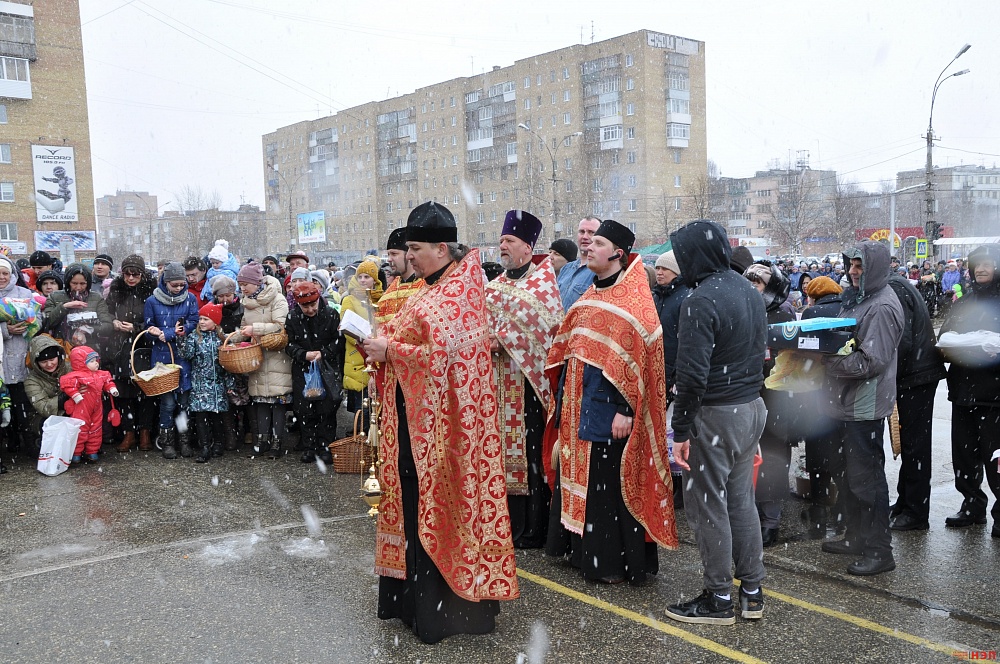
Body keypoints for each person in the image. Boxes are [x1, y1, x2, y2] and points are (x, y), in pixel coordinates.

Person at [362, 201, 519, 644]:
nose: (409, 256)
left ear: (442, 248)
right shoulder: (430, 286)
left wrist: (391, 351)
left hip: (447, 431)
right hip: (413, 421)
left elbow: (444, 358)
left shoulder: (458, 292)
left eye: (415, 248)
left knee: (440, 508)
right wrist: (384, 347)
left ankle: (446, 613)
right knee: (412, 505)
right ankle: (413, 605)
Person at [545, 218, 676, 586]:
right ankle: (581, 552)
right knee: (582, 480)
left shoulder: (634, 302)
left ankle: (611, 563)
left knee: (607, 485)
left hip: (608, 411)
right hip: (579, 406)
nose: (588, 247)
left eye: (598, 243)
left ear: (618, 253)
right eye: (589, 242)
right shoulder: (591, 294)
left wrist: (625, 409)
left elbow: (641, 363)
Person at [663, 220, 768, 626]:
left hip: (717, 413)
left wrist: (681, 431)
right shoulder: (748, 289)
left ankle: (718, 596)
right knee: (740, 501)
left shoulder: (701, 299)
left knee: (707, 505)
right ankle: (752, 592)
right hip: (750, 407)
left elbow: (691, 376)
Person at [820, 240, 903, 576]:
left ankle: (880, 551)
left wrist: (825, 362)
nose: (854, 272)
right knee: (849, 477)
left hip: (863, 407)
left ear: (876, 269)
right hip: (846, 403)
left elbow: (871, 361)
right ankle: (856, 537)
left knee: (867, 481)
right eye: (852, 265)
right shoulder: (860, 298)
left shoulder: (881, 306)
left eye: (860, 266)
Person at [485, 210, 563, 549]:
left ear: (528, 248)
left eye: (509, 241)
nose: (502, 246)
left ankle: (532, 527)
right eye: (501, 240)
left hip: (527, 385)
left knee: (530, 453)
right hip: (495, 384)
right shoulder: (492, 287)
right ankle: (502, 520)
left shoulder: (543, 285)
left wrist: (504, 340)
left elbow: (548, 332)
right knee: (496, 453)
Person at [938, 245, 1000, 536]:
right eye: (977, 264)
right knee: (964, 454)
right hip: (963, 391)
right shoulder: (964, 301)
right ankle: (972, 505)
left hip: (995, 395)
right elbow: (944, 336)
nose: (982, 269)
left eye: (988, 263)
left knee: (996, 456)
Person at [886, 269, 946, 531]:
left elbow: (902, 340)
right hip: (917, 374)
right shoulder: (897, 285)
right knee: (911, 444)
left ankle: (916, 513)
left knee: (915, 446)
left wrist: (889, 376)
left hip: (916, 377)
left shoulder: (894, 289)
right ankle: (906, 502)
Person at [742, 262, 796, 548]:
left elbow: (790, 360)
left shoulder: (782, 315)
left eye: (758, 282)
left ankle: (771, 522)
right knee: (748, 459)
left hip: (776, 399)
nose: (752, 287)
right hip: (746, 396)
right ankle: (751, 515)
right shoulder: (743, 309)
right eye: (748, 281)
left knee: (772, 459)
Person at [799, 276, 846, 536]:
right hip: (843, 390)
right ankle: (842, 512)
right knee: (841, 452)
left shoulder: (811, 313)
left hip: (816, 391)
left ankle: (818, 510)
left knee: (817, 452)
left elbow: (801, 350)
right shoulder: (847, 308)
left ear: (813, 296)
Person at [144, 261, 200, 459]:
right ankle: (167, 442)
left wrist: (179, 331)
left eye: (182, 284)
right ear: (165, 282)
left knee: (184, 403)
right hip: (162, 358)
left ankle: (184, 440)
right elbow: (148, 330)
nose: (178, 288)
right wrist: (166, 333)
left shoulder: (190, 298)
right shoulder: (152, 301)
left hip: (183, 356)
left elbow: (193, 321)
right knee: (167, 403)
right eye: (174, 285)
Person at [237, 261, 293, 458]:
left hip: (277, 355)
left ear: (257, 282)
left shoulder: (277, 299)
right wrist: (229, 337)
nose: (243, 288)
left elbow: (280, 326)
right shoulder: (247, 302)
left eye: (245, 284)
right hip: (257, 356)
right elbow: (243, 327)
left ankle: (277, 442)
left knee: (277, 401)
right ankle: (262, 440)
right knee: (260, 400)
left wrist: (256, 329)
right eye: (240, 284)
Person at [285, 281, 343, 464]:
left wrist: (323, 353)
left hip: (326, 367)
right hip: (303, 367)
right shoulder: (293, 317)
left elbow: (339, 340)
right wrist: (303, 354)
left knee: (327, 409)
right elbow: (289, 344)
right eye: (305, 307)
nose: (310, 310)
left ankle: (326, 446)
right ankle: (309, 446)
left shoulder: (331, 314)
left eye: (313, 305)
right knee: (304, 410)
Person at [105, 254, 157, 452]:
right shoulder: (116, 289)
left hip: (143, 345)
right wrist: (113, 322)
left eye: (135, 274)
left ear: (142, 274)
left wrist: (136, 327)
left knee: (145, 391)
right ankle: (129, 433)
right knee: (124, 392)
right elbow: (107, 311)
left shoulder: (151, 290)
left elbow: (156, 319)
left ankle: (145, 432)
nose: (131, 278)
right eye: (127, 274)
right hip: (120, 346)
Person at [179, 303, 232, 463]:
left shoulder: (222, 339)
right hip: (200, 384)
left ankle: (218, 444)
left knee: (216, 417)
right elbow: (186, 354)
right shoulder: (195, 337)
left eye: (206, 319)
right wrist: (181, 338)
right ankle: (205, 447)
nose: (201, 322)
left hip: (217, 385)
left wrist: (230, 384)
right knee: (201, 417)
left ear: (215, 322)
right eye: (200, 319)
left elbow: (228, 365)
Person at [0, 256, 37, 459]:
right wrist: (6, 329)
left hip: (20, 355)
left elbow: (38, 318)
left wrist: (29, 324)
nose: (2, 277)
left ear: (12, 274)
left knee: (21, 404)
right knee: (3, 405)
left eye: (5, 273)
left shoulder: (24, 293)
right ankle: (9, 442)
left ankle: (28, 444)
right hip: (1, 357)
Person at [340, 259, 383, 433]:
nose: (363, 280)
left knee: (377, 407)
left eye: (367, 277)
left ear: (375, 279)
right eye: (360, 277)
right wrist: (368, 343)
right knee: (363, 407)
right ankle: (361, 441)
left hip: (379, 356)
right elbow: (347, 329)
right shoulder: (349, 299)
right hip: (358, 357)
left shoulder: (381, 298)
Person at [60, 346, 119, 463]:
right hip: (81, 406)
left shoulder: (100, 374)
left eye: (96, 360)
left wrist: (112, 388)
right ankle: (76, 452)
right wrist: (75, 394)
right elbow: (68, 386)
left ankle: (92, 451)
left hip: (97, 407)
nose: (96, 363)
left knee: (96, 428)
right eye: (91, 361)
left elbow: (108, 382)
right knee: (80, 428)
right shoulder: (76, 376)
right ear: (81, 363)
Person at [212, 274, 250, 450]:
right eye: (221, 296)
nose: (225, 299)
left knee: (245, 396)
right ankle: (230, 434)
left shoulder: (242, 308)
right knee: (227, 397)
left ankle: (248, 430)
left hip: (241, 356)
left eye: (228, 295)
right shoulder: (213, 309)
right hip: (222, 357)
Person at [23, 335, 70, 455]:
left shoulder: (70, 368)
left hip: (71, 411)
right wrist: (64, 398)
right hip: (42, 418)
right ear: (36, 362)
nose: (49, 364)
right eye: (43, 362)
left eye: (52, 359)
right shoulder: (31, 380)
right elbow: (43, 407)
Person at [375, 228, 422, 327]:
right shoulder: (393, 287)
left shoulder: (424, 285)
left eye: (394, 254)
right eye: (388, 254)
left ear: (409, 255)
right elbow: (379, 322)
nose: (389, 259)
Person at [555, 216, 601, 311]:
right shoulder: (566, 268)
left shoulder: (600, 271)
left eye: (591, 232)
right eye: (582, 232)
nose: (585, 237)